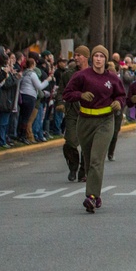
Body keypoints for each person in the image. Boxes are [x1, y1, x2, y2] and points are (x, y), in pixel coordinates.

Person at [62, 45, 126, 213]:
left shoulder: (112, 78)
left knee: (97, 159)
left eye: (102, 56)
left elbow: (121, 95)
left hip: (105, 121)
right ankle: (96, 196)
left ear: (106, 59)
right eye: (96, 56)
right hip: (85, 120)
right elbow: (67, 94)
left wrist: (119, 103)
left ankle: (90, 196)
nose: (98, 59)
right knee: (90, 160)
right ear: (92, 58)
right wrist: (80, 95)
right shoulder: (82, 76)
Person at [59, 46, 89, 181]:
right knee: (70, 142)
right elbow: (61, 91)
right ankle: (73, 165)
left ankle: (83, 172)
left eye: (79, 55)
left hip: (90, 113)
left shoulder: (94, 73)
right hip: (73, 112)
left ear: (86, 57)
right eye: (75, 55)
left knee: (87, 145)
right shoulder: (68, 74)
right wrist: (60, 103)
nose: (75, 58)